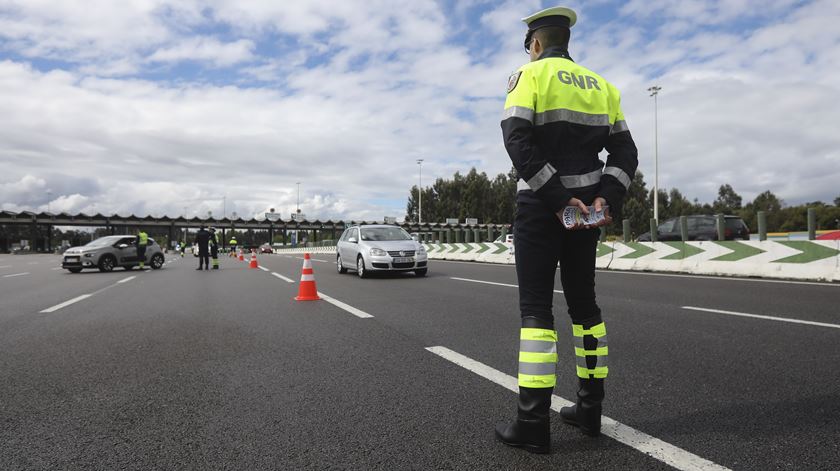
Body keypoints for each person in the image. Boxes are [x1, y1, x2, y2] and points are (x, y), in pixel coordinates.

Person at [495, 6, 638, 454]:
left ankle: (533, 423)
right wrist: (605, 199)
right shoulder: (604, 87)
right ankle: (590, 411)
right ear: (566, 41)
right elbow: (626, 152)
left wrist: (557, 198)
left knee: (536, 311)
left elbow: (516, 139)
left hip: (542, 208)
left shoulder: (530, 75)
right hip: (588, 215)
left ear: (536, 43)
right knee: (585, 308)